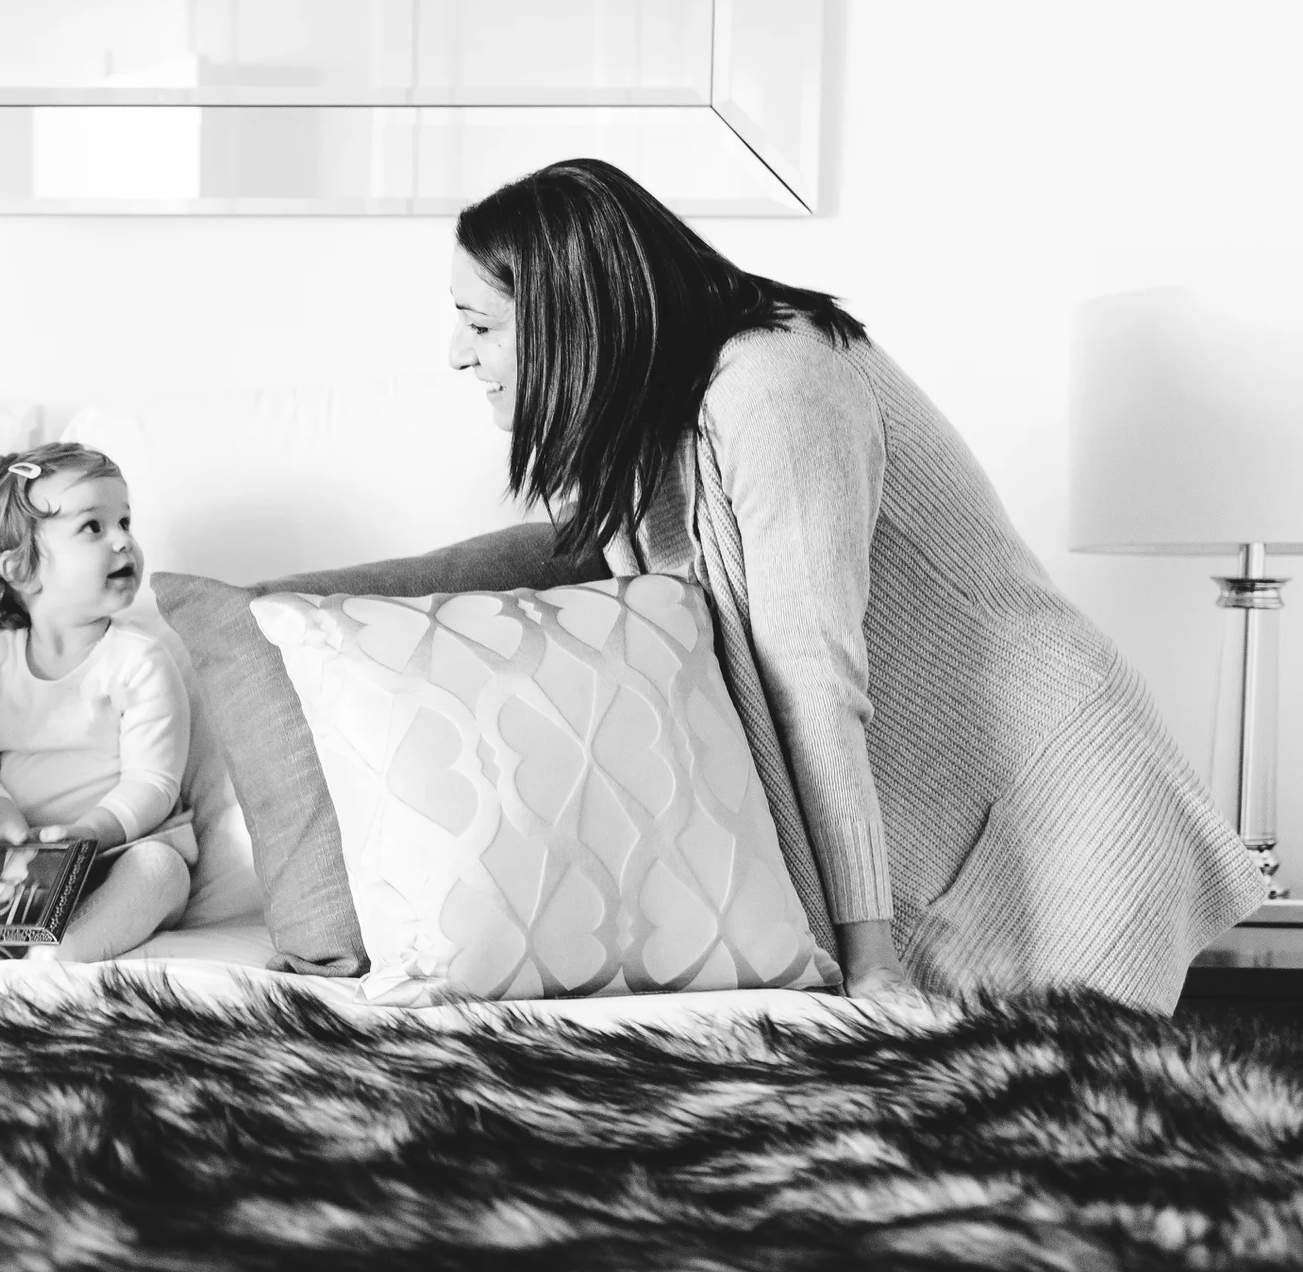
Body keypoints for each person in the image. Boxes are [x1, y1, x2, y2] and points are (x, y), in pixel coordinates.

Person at [446, 158, 1257, 1009]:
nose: (457, 354)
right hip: (950, 810)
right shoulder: (647, 434)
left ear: (571, 317)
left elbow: (812, 677)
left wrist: (869, 961)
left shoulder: (777, 386)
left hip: (1062, 798)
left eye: (480, 324)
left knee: (1037, 1087)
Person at [0, 443, 195, 962]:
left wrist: (89, 834)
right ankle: (1, 937)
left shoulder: (140, 660)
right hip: (15, 857)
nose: (123, 540)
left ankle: (64, 953)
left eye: (124, 521)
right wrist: (4, 827)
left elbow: (153, 782)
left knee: (161, 871)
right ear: (22, 569)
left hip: (117, 849)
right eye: (93, 527)